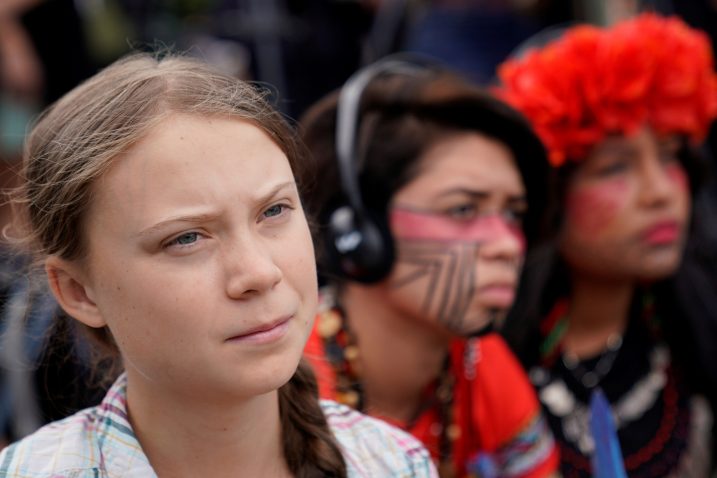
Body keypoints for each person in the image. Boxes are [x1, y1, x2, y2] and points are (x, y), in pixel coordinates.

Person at [0, 53, 438, 477]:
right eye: (186, 238)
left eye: (274, 211)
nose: (259, 273)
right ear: (79, 291)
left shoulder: (392, 463)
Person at [300, 58, 560, 477]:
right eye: (462, 209)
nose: (507, 244)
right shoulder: (285, 386)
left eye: (513, 214)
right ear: (361, 232)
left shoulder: (481, 361)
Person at [497, 13, 717, 477]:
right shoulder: (486, 364)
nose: (660, 192)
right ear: (546, 195)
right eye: (615, 168)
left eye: (670, 155)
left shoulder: (698, 330)